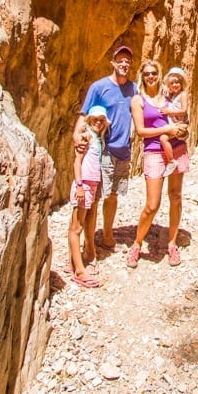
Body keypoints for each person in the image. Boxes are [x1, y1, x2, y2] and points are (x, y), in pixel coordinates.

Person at [73, 45, 137, 255]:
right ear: (113, 62)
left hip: (123, 151)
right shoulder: (99, 87)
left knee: (113, 196)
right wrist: (76, 135)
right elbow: (84, 115)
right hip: (104, 150)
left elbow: (143, 106)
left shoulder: (133, 89)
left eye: (128, 60)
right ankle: (88, 244)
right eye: (121, 59)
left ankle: (107, 236)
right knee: (95, 198)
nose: (124, 63)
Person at [126, 60, 190, 268]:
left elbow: (182, 113)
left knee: (176, 196)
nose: (151, 76)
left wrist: (181, 130)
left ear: (159, 74)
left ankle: (171, 244)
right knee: (152, 205)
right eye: (147, 74)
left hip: (177, 147)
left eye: (154, 73)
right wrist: (166, 131)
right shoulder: (138, 100)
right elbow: (141, 131)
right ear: (142, 76)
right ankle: (136, 244)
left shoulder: (167, 94)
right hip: (153, 151)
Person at [67, 106, 108, 287]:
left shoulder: (98, 138)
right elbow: (77, 161)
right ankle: (80, 271)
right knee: (76, 227)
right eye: (95, 119)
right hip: (83, 185)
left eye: (102, 120)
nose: (98, 122)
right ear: (90, 120)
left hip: (91, 185)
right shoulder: (86, 137)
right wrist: (79, 186)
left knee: (81, 222)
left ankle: (72, 263)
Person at [158, 67, 189, 178]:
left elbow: (184, 111)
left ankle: (171, 161)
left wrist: (168, 112)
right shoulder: (172, 96)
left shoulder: (183, 95)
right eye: (172, 83)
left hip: (179, 124)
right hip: (174, 124)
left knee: (163, 138)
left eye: (177, 82)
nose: (175, 85)